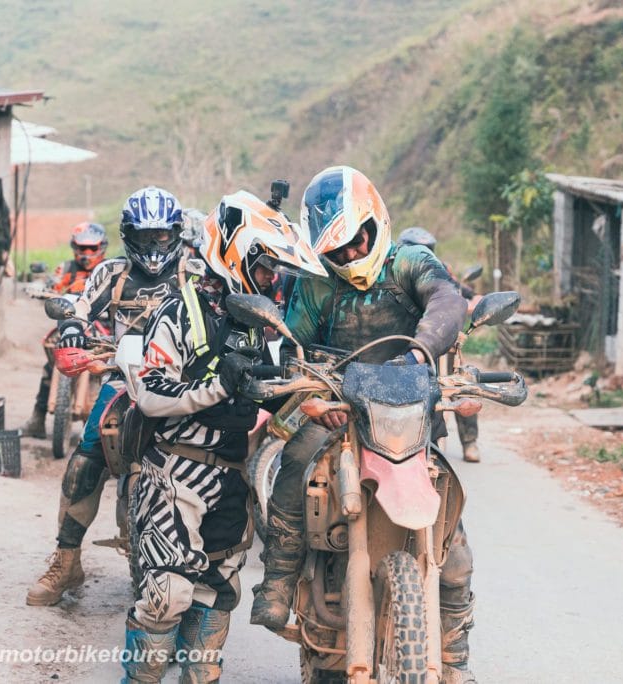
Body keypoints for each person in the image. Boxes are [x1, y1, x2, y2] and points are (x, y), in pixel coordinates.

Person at [250, 165, 478, 683]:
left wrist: (420, 354)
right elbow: (294, 349)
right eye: (338, 249)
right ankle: (279, 581)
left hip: (408, 412)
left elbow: (447, 300)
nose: (351, 255)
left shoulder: (410, 263)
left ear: (375, 224)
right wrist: (311, 394)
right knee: (294, 462)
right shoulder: (315, 286)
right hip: (337, 409)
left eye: (357, 241)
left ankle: (456, 655)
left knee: (455, 542)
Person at [121, 191, 325, 683]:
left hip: (233, 473)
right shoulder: (181, 311)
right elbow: (149, 394)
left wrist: (310, 400)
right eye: (264, 267)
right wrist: (216, 385)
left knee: (216, 595)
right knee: (167, 595)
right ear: (237, 254)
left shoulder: (262, 324)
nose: (271, 278)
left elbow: (273, 390)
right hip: (173, 470)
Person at [26, 186, 191, 607]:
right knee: (85, 459)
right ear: (128, 235)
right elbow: (79, 309)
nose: (155, 246)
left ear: (175, 234)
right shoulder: (110, 273)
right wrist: (70, 329)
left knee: (222, 460)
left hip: (184, 384)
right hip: (122, 381)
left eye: (162, 237)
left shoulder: (196, 273)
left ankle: (214, 564)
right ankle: (66, 560)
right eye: (145, 236)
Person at [397, 226, 482, 463]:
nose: (422, 254)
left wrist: (468, 301)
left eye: (427, 250)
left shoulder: (440, 270)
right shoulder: (394, 271)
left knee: (463, 382)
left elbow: (460, 293)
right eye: (416, 249)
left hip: (441, 337)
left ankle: (470, 442)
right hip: (409, 339)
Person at [21, 222, 108, 439]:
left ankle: (108, 427)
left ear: (101, 247)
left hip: (102, 326)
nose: (87, 254)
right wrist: (43, 289)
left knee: (115, 371)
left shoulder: (108, 269)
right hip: (70, 324)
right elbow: (54, 284)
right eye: (82, 249)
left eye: (92, 249)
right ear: (74, 248)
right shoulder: (66, 269)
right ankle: (37, 419)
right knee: (50, 366)